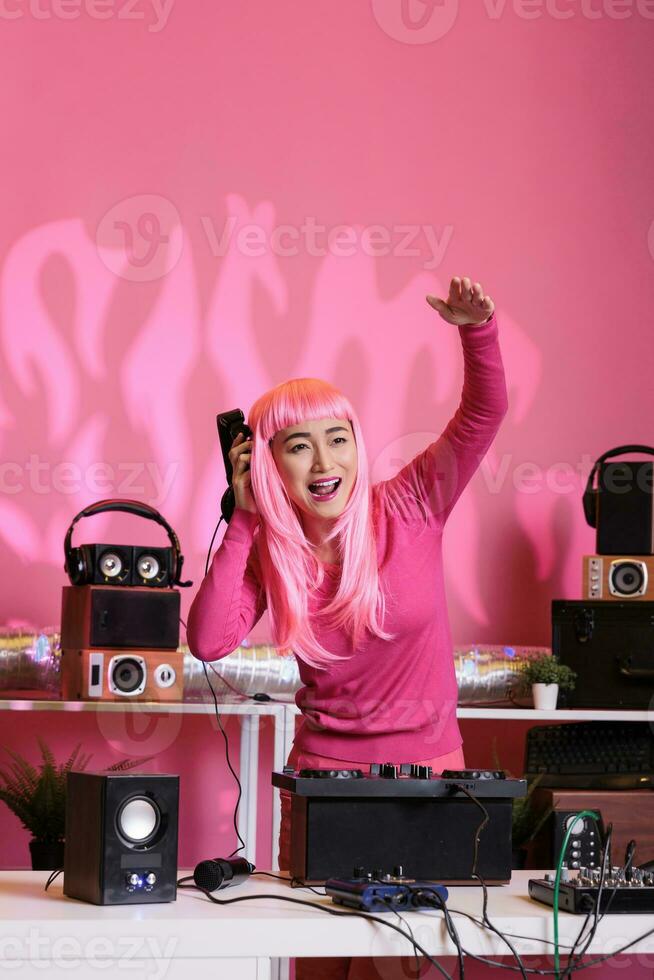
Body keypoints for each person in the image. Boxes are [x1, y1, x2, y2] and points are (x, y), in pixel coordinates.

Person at [187, 275, 508, 979]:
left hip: (427, 781)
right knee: (324, 968)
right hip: (323, 789)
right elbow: (209, 640)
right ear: (265, 463)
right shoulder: (270, 548)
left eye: (339, 439)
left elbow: (483, 414)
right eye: (299, 446)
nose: (325, 462)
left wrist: (474, 330)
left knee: (401, 968)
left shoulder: (415, 501)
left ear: (359, 446)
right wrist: (242, 518)